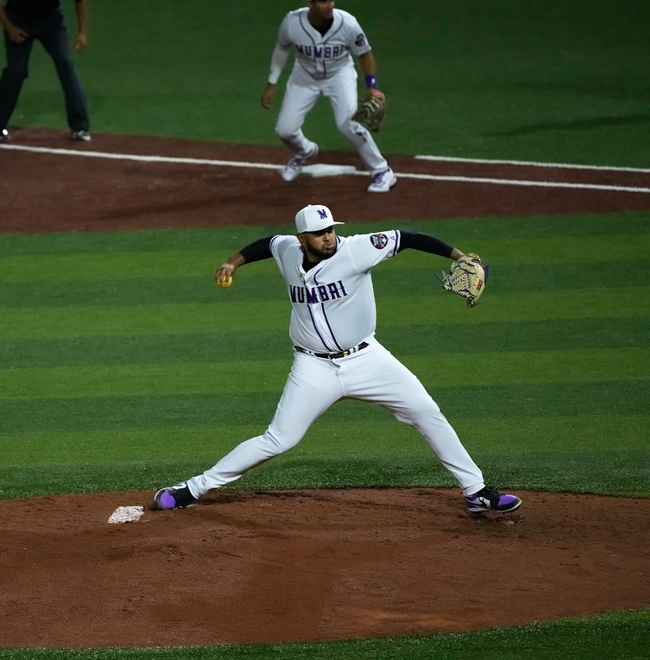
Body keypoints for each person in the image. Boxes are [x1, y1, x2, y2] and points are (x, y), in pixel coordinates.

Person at [153, 204, 522, 516]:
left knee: (426, 412)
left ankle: (476, 491)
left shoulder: (357, 249)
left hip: (369, 361)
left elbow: (407, 238)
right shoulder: (287, 249)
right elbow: (266, 244)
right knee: (279, 439)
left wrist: (459, 256)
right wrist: (233, 262)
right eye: (319, 233)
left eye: (330, 229)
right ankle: (192, 488)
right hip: (313, 367)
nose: (328, 237)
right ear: (302, 239)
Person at [261, 0, 396, 193]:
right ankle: (304, 151)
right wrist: (272, 83)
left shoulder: (348, 23)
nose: (330, 4)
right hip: (304, 76)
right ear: (310, 3)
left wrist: (372, 86)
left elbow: (365, 53)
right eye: (323, 1)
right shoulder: (292, 23)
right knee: (285, 130)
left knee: (349, 125)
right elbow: (281, 49)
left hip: (339, 75)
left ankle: (382, 171)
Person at [0, 0, 91, 142]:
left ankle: (80, 127)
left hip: (51, 22)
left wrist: (82, 32)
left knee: (65, 63)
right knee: (17, 70)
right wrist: (10, 28)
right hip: (18, 21)